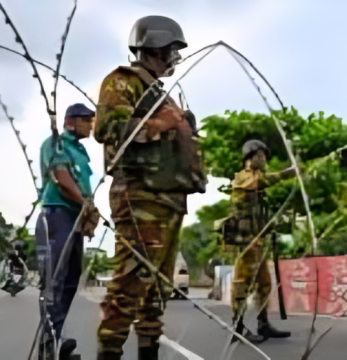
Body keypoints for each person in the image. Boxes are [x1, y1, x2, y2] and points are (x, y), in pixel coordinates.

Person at [93, 15, 205, 360]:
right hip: (140, 197)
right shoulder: (123, 82)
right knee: (129, 284)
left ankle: (148, 352)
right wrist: (161, 123)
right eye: (172, 49)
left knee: (157, 290)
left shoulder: (162, 94)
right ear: (155, 46)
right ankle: (109, 351)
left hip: (169, 200)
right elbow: (107, 129)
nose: (175, 56)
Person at [36, 103, 100, 358]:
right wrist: (84, 202)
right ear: (72, 120)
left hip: (73, 218)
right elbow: (61, 176)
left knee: (72, 279)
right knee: (55, 280)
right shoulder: (56, 144)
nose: (90, 126)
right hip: (57, 215)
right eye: (87, 120)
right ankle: (50, 340)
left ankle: (55, 337)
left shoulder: (80, 151)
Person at [229, 139, 295, 343]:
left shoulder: (257, 181)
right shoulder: (242, 177)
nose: (265, 159)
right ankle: (237, 327)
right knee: (242, 284)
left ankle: (263, 324)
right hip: (244, 241)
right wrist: (287, 173)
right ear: (251, 156)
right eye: (262, 155)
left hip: (258, 240)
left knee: (264, 283)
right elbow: (261, 182)